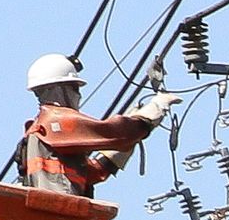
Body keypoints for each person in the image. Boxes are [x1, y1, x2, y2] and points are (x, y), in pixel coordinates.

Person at [18, 53, 181, 196]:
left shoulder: (39, 131)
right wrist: (155, 109)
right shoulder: (56, 121)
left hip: (54, 217)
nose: (79, 96)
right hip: (59, 212)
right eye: (75, 88)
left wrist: (127, 141)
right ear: (59, 89)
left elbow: (93, 172)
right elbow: (117, 134)